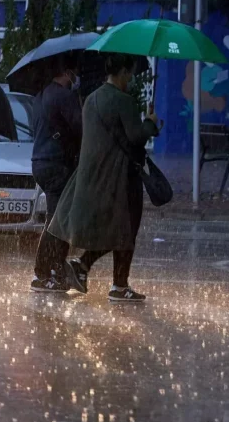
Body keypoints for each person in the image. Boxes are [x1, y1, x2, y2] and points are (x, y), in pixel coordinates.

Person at [48, 54, 159, 302]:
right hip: (120, 175)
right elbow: (135, 137)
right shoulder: (123, 101)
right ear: (123, 72)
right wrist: (150, 123)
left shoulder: (91, 99)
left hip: (92, 173)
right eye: (130, 73)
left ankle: (84, 266)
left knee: (115, 227)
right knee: (127, 228)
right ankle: (118, 285)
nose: (132, 78)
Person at [29, 56, 84, 292]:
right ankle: (49, 272)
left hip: (40, 162)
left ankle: (48, 270)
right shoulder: (64, 96)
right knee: (58, 221)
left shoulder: (41, 96)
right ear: (67, 72)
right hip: (57, 164)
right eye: (74, 72)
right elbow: (81, 129)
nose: (76, 78)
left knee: (55, 219)